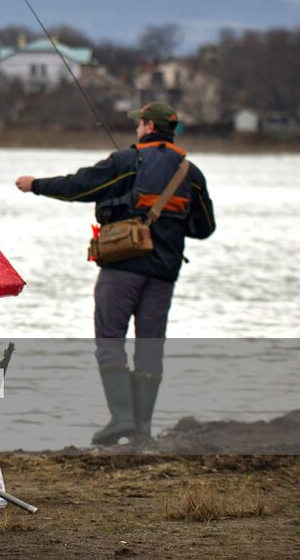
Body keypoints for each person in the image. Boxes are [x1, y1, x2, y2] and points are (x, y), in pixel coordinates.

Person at [15, 101, 215, 445]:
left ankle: (121, 418)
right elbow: (204, 227)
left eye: (140, 125)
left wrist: (36, 184)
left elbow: (79, 186)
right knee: (150, 347)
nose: (137, 129)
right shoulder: (190, 173)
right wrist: (169, 221)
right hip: (165, 274)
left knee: (110, 339)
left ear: (149, 127)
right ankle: (143, 431)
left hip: (122, 267)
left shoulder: (128, 161)